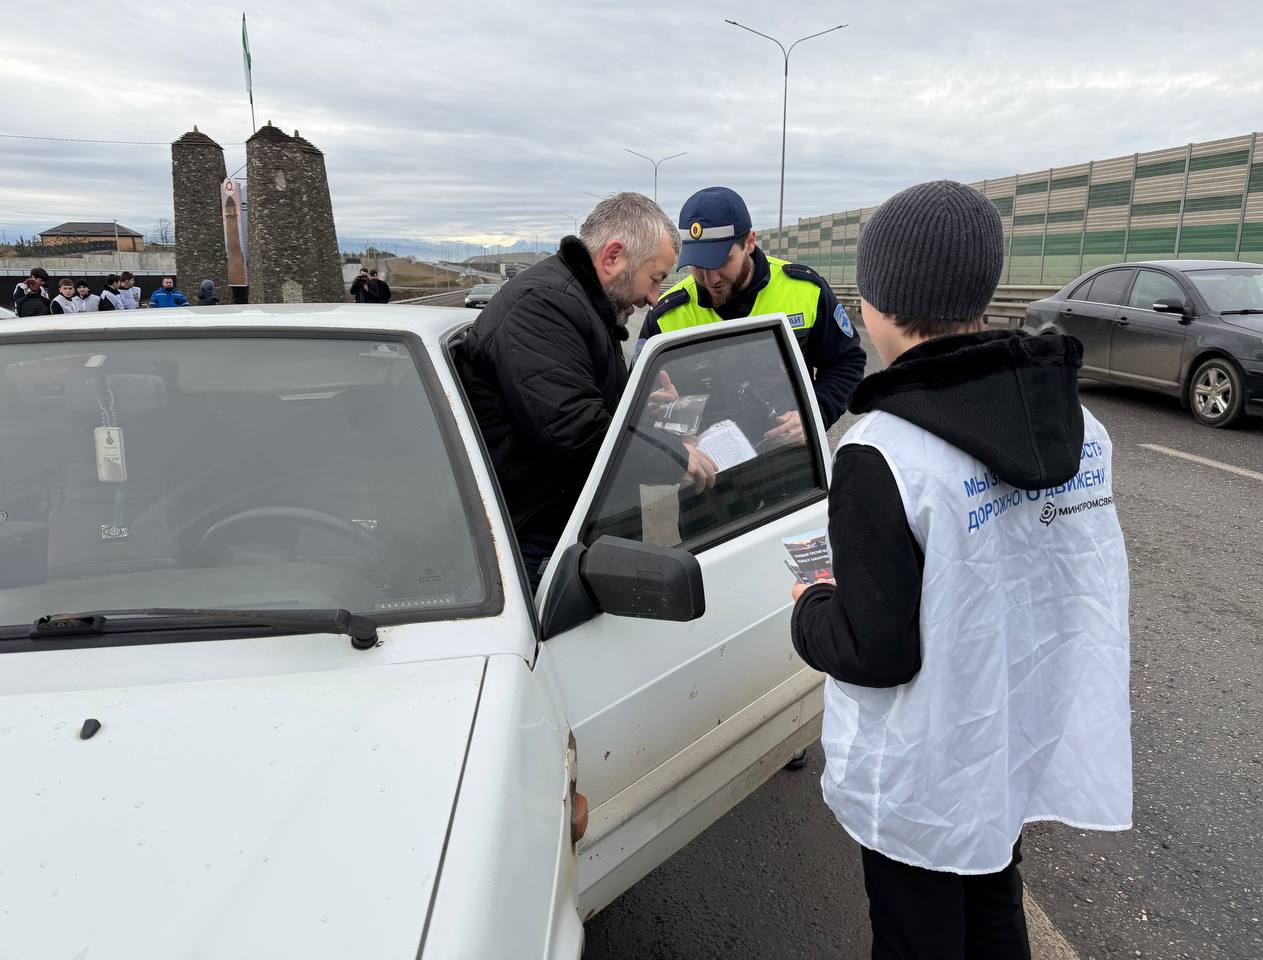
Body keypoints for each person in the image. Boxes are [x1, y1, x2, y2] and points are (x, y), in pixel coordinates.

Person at [789, 181, 1132, 960]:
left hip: (927, 767)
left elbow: (876, 650)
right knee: (994, 902)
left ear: (876, 303)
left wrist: (810, 607)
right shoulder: (1076, 424)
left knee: (918, 935)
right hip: (1010, 732)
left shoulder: (883, 452)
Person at [455, 192, 714, 586]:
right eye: (655, 278)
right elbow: (574, 432)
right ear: (613, 257)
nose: (653, 297)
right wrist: (675, 458)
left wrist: (641, 408)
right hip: (531, 533)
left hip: (560, 514)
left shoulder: (583, 305)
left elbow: (583, 401)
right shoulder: (542, 307)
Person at [636, 186, 866, 433]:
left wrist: (813, 415)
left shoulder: (805, 290)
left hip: (788, 453)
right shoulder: (666, 314)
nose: (711, 279)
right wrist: (651, 408)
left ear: (750, 242)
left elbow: (846, 363)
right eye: (698, 265)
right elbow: (634, 400)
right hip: (700, 456)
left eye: (722, 261)